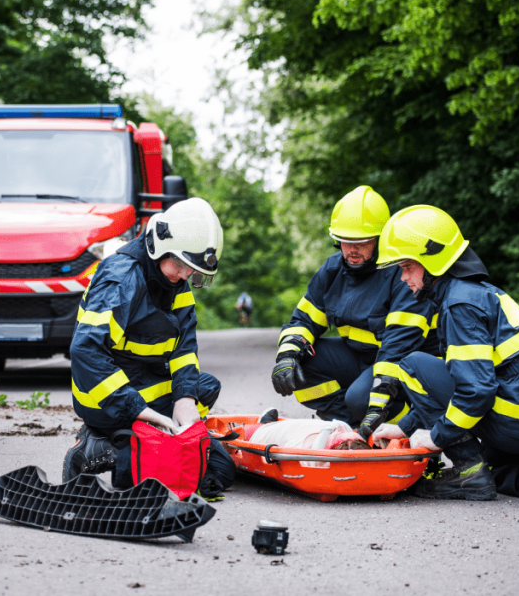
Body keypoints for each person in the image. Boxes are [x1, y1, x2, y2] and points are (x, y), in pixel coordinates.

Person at [371, 205, 519, 504]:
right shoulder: (478, 292)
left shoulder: (458, 305)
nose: (403, 278)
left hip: (515, 414)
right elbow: (457, 380)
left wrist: (436, 436)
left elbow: (475, 390)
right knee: (496, 470)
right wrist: (404, 427)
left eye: (406, 267)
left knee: (411, 365)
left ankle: (469, 474)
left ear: (433, 262)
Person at [62, 197, 236, 498]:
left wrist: (183, 399)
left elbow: (184, 349)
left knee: (218, 468)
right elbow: (86, 351)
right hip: (104, 397)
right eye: (180, 266)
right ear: (159, 247)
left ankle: (140, 441)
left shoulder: (174, 279)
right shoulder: (122, 277)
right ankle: (97, 447)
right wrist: (140, 411)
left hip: (144, 383)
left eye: (190, 271)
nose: (184, 277)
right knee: (143, 475)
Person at [272, 186, 438, 435]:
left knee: (363, 400)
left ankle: (417, 428)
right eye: (345, 241)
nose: (351, 249)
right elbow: (303, 320)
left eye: (361, 242)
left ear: (381, 239)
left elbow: (400, 343)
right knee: (301, 364)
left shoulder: (402, 272)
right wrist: (287, 355)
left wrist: (379, 395)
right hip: (359, 358)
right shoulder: (332, 269)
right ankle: (351, 428)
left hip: (403, 365)